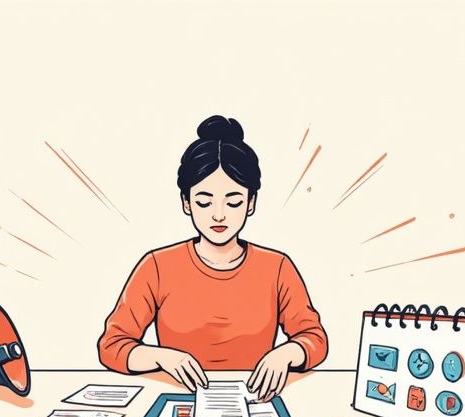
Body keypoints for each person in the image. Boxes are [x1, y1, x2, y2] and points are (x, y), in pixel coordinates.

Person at [97, 115, 328, 401]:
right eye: (204, 202)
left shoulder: (277, 267)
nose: (219, 214)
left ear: (251, 202)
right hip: (180, 402)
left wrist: (287, 354)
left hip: (256, 401)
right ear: (186, 202)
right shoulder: (157, 266)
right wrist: (162, 357)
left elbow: (315, 340)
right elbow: (111, 347)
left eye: (233, 202)